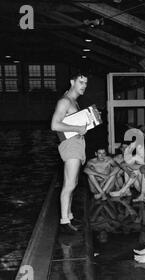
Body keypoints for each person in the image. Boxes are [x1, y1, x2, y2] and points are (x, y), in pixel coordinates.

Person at [51, 71, 89, 234]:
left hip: (77, 144)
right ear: (72, 82)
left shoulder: (74, 101)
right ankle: (64, 222)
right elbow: (55, 125)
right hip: (71, 145)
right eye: (81, 82)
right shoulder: (64, 101)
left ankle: (69, 216)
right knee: (69, 184)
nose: (84, 86)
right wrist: (77, 128)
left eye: (86, 83)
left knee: (72, 184)